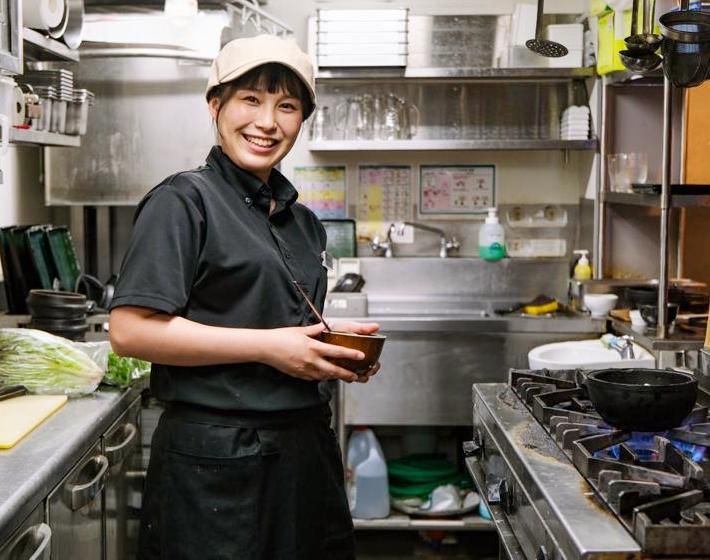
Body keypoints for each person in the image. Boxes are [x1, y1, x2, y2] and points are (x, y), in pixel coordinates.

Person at [108, 34, 381, 560]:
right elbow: (129, 330)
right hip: (216, 463)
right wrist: (269, 348)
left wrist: (329, 347)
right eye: (251, 100)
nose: (267, 122)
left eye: (287, 106)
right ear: (216, 105)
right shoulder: (183, 201)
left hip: (304, 456)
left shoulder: (302, 222)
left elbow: (272, 321)